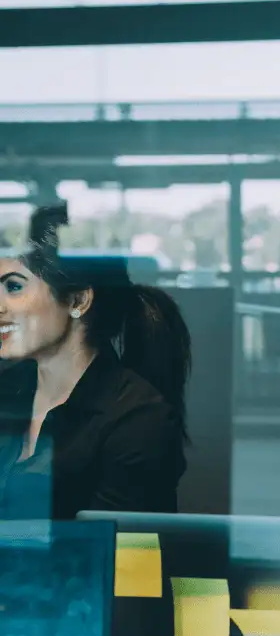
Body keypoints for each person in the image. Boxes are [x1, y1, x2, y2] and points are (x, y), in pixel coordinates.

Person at [0, 204, 191, 519]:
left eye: (15, 287)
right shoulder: (9, 389)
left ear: (77, 300)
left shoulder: (138, 418)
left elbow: (114, 553)